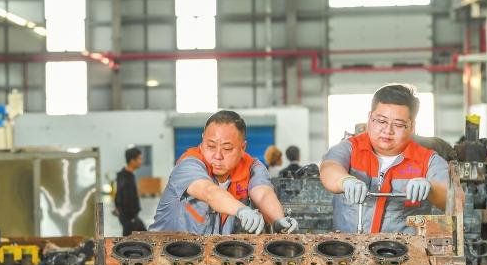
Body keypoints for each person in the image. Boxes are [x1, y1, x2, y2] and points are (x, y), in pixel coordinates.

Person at [319, 84, 448, 234]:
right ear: (370, 118)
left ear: (412, 126)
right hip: (347, 247)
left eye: (398, 125)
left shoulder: (428, 160)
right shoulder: (350, 148)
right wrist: (344, 181)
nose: (388, 130)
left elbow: (455, 200)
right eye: (381, 121)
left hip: (405, 248)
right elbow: (329, 167)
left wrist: (432, 189)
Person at [150, 110, 298, 234]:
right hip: (163, 254)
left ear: (243, 148)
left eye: (227, 148)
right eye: (211, 146)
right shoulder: (189, 164)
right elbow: (209, 192)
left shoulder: (252, 167)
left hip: (211, 255)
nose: (218, 156)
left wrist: (278, 220)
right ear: (202, 141)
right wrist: (241, 210)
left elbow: (263, 194)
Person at [114, 147, 147, 236]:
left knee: (141, 235)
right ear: (132, 160)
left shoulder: (125, 175)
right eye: (139, 159)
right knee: (134, 239)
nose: (141, 161)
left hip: (130, 216)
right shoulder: (126, 177)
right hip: (129, 217)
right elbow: (123, 197)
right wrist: (131, 217)